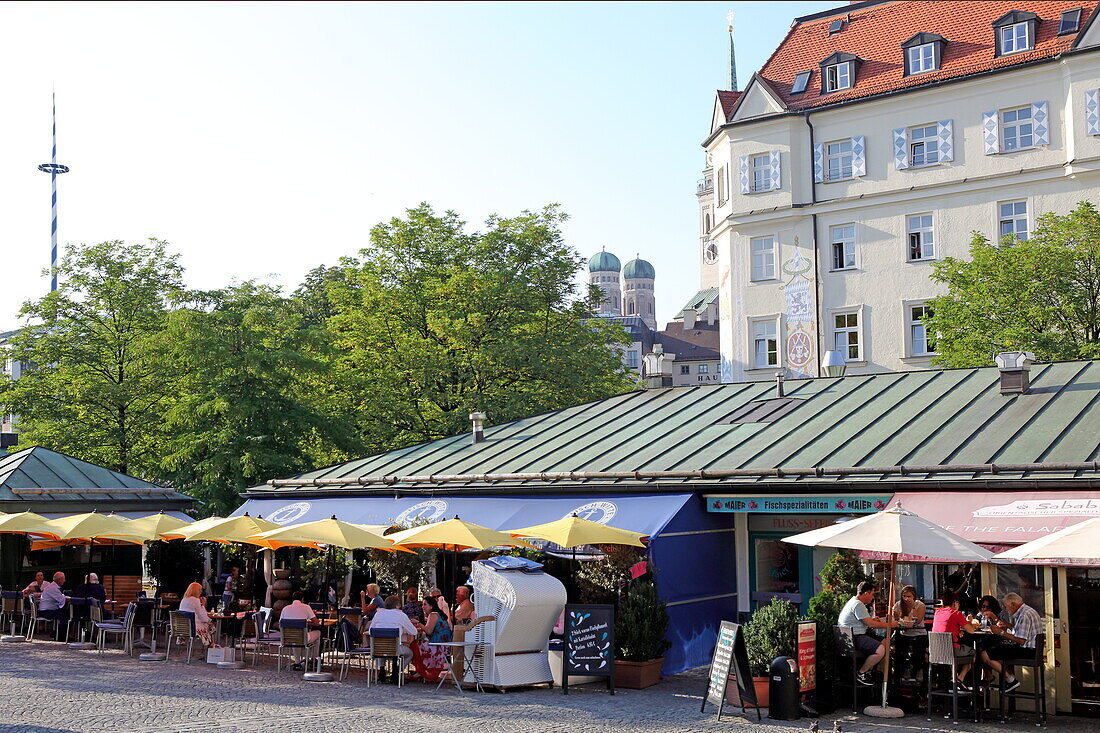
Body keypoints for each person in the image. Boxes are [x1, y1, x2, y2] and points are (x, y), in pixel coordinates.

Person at [978, 592, 1041, 693]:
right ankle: (1004, 680)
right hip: (1030, 649)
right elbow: (1021, 631)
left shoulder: (1024, 615)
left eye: (1007, 607)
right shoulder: (1026, 611)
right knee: (997, 651)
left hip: (1027, 650)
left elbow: (1021, 639)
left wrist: (1001, 632)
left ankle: (1011, 680)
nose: (1007, 609)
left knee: (985, 654)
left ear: (1013, 604)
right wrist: (1007, 625)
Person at [837, 580, 895, 686]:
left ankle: (877, 671)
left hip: (853, 635)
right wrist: (891, 624)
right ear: (866, 593)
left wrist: (873, 620)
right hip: (854, 637)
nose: (872, 598)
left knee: (885, 642)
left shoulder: (854, 602)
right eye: (872, 594)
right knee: (880, 650)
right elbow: (871, 624)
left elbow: (866, 621)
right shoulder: (858, 604)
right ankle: (861, 673)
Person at [931, 589, 979, 690]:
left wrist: (957, 631)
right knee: (973, 652)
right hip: (952, 651)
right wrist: (969, 622)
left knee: (959, 652)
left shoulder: (937, 613)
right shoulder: (956, 613)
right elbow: (971, 631)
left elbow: (945, 627)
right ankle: (960, 679)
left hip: (936, 652)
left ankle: (954, 679)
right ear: (955, 603)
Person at [368, 595, 417, 682]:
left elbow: (370, 631)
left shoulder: (378, 614)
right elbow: (414, 632)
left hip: (378, 649)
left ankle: (382, 671)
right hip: (395, 649)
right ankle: (396, 672)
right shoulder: (401, 615)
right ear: (398, 605)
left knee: (381, 644)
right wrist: (402, 629)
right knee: (409, 654)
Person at [411, 595, 452, 682]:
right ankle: (421, 671)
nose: (423, 607)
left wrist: (418, 623)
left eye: (425, 604)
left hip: (438, 646)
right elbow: (431, 630)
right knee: (419, 643)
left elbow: (429, 631)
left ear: (431, 606)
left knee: (414, 645)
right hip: (444, 646)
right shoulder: (438, 614)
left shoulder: (433, 615)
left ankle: (421, 671)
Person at [892, 585, 928, 684]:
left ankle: (918, 669)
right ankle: (904, 668)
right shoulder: (898, 605)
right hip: (903, 632)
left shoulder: (920, 605)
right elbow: (895, 618)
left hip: (918, 632)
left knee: (918, 647)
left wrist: (912, 609)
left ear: (914, 597)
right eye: (904, 596)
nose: (906, 599)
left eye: (909, 596)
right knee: (898, 644)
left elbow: (918, 621)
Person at [280, 591, 322, 670]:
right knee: (318, 633)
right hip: (303, 638)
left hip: (288, 638)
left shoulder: (285, 609)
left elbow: (280, 624)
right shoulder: (306, 607)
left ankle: (297, 662)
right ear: (302, 599)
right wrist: (307, 623)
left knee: (295, 637)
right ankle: (314, 659)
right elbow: (316, 623)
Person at [179, 582, 218, 648]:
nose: (200, 592)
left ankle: (211, 644)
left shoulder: (184, 599)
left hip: (182, 627)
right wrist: (203, 605)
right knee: (211, 625)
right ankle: (211, 646)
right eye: (200, 590)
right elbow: (204, 618)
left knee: (209, 625)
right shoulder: (196, 600)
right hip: (193, 628)